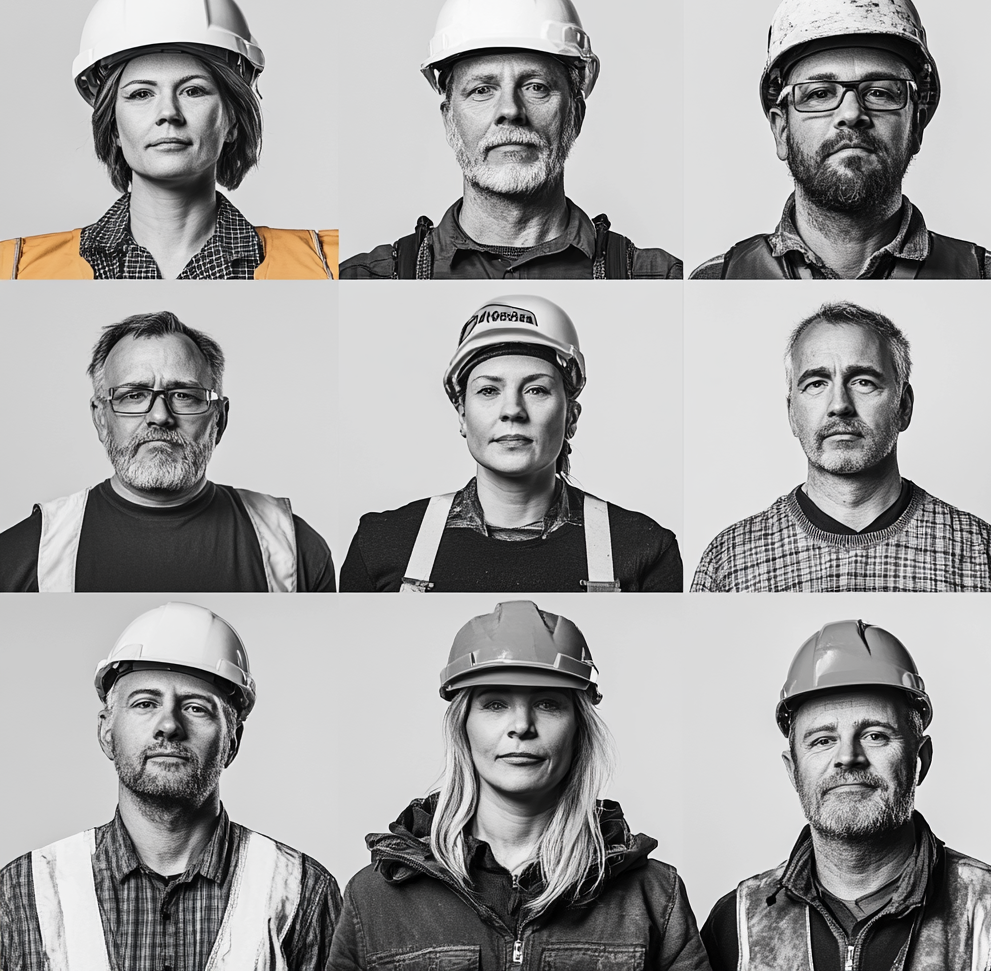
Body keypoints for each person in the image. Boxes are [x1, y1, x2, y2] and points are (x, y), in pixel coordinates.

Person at [327, 600, 708, 969]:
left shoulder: (655, 895)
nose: (521, 726)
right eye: (495, 704)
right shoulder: (374, 896)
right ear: (463, 726)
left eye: (548, 703)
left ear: (578, 728)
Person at [0, 602, 341, 969]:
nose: (168, 725)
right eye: (145, 703)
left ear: (233, 741)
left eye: (196, 708)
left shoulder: (303, 890)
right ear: (105, 731)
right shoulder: (24, 891)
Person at [701, 618, 991, 970]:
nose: (848, 758)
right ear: (793, 771)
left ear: (920, 760)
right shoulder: (735, 923)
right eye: (823, 740)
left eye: (875, 735)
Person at [340, 0, 682, 279]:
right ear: (449, 120)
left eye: (536, 87)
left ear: (575, 115)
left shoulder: (657, 277)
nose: (510, 110)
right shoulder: (364, 278)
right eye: (482, 90)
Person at [0, 0, 336, 280]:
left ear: (231, 120)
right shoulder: (13, 268)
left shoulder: (327, 265)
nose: (168, 113)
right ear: (113, 125)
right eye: (141, 94)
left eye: (193, 91)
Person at [690, 0, 991, 280]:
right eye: (819, 94)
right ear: (781, 129)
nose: (851, 114)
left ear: (917, 125)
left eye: (879, 91)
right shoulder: (713, 282)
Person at [339, 294, 683, 591]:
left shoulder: (644, 547)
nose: (513, 411)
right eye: (489, 390)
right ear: (462, 415)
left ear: (571, 417)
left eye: (536, 390)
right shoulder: (382, 543)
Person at [691, 301, 991, 591]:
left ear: (904, 406)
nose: (839, 404)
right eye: (816, 383)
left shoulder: (984, 555)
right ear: (792, 414)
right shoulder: (729, 560)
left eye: (863, 382)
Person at [0, 310, 335, 591]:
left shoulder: (295, 548)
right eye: (133, 395)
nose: (159, 416)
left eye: (184, 396)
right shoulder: (23, 554)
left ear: (219, 418)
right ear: (101, 418)